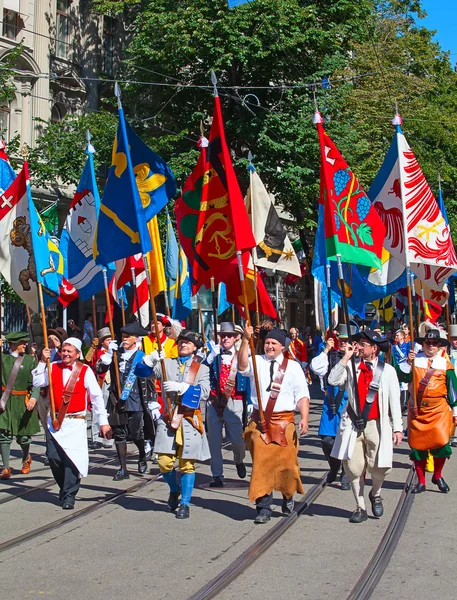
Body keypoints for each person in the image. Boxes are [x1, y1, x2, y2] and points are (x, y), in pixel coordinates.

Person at [328, 330, 403, 523]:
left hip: (377, 424)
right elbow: (333, 380)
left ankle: (375, 493)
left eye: (363, 344)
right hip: (353, 423)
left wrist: (397, 427)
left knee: (380, 466)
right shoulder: (351, 366)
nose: (358, 347)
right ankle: (359, 507)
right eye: (358, 343)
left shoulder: (388, 371)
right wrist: (345, 357)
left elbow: (395, 401)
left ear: (374, 348)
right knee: (353, 467)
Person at [238, 326, 309, 524]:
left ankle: (287, 495)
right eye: (267, 342)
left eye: (274, 343)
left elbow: (302, 395)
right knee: (261, 465)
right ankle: (264, 507)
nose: (269, 346)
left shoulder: (293, 367)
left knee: (287, 466)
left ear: (282, 347)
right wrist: (245, 340)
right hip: (260, 424)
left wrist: (304, 417)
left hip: (285, 422)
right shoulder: (256, 360)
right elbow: (242, 367)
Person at [32, 337, 111, 509]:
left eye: (69, 351)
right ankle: (64, 487)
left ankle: (69, 495)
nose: (66, 354)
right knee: (53, 457)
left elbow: (96, 397)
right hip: (55, 423)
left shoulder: (85, 371)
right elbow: (38, 382)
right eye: (64, 351)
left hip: (75, 423)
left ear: (77, 354)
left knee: (71, 461)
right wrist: (40, 362)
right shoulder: (52, 367)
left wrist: (103, 422)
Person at [153, 329, 210, 519]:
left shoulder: (202, 369)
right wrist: (150, 359)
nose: (183, 344)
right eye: (181, 342)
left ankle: (185, 503)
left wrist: (184, 388)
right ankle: (174, 488)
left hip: (189, 420)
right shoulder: (165, 363)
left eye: (188, 342)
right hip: (168, 418)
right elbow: (142, 373)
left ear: (195, 348)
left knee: (187, 465)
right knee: (164, 462)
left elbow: (204, 393)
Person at [97, 322, 159, 481]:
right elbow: (100, 370)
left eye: (127, 337)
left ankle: (141, 455)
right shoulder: (115, 355)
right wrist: (108, 357)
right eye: (122, 336)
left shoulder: (142, 356)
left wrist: (153, 401)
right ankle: (123, 468)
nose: (123, 339)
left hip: (136, 400)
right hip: (117, 400)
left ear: (136, 339)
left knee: (136, 433)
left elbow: (149, 380)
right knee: (119, 434)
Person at [399, 328, 457, 493]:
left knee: (442, 446)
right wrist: (408, 364)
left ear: (439, 346)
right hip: (418, 410)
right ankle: (421, 481)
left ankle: (437, 475)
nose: (431, 346)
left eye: (434, 343)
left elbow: (453, 389)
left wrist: (456, 411)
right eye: (428, 342)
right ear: (423, 344)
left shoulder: (445, 364)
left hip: (439, 410)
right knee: (418, 448)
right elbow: (402, 378)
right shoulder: (415, 361)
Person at [310, 324, 356, 490]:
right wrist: (326, 350)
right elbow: (315, 368)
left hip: (348, 405)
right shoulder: (330, 355)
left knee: (346, 439)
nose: (343, 342)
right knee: (327, 440)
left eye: (346, 339)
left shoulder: (356, 359)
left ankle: (345, 471)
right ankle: (334, 466)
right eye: (341, 339)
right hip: (330, 404)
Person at [205, 322, 249, 487]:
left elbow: (249, 378)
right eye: (223, 336)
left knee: (238, 440)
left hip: (235, 401)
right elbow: (198, 372)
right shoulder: (211, 355)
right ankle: (217, 475)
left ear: (236, 337)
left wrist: (250, 402)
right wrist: (209, 359)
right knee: (214, 441)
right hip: (214, 402)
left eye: (229, 336)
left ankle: (239, 460)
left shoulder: (242, 355)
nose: (226, 339)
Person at [0, 332, 40, 479]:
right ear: (13, 343)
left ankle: (26, 457)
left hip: (23, 401)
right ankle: (5, 468)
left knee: (23, 437)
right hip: (5, 400)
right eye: (23, 342)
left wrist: (33, 399)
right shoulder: (2, 357)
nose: (26, 344)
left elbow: (36, 383)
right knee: (3, 435)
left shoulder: (30, 360)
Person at [85, 327, 115, 449]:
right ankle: (96, 437)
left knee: (111, 410)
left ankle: (108, 438)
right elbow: (87, 360)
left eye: (111, 339)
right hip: (100, 382)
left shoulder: (116, 351)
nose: (110, 341)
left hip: (112, 384)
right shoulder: (97, 352)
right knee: (97, 409)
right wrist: (92, 347)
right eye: (107, 339)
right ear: (102, 342)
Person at [449, 325, 457, 448]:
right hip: (450, 386)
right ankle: (452, 435)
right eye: (454, 339)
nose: (456, 341)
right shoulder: (445, 352)